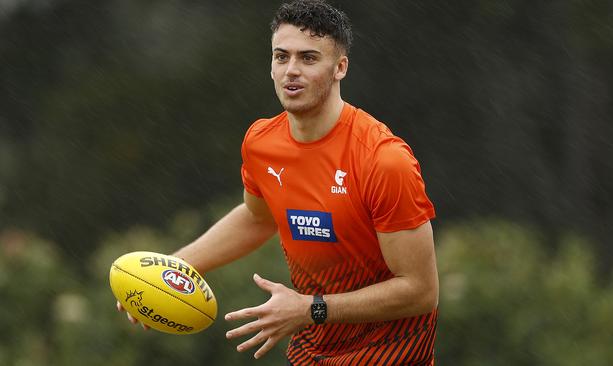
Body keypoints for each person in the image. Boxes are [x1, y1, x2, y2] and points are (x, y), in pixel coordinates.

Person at [118, 0, 439, 364]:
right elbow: (258, 216)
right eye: (281, 57)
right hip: (310, 354)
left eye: (308, 58)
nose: (291, 71)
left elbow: (420, 291)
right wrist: (171, 267)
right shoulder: (261, 142)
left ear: (340, 68)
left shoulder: (384, 160)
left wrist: (311, 309)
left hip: (392, 357)